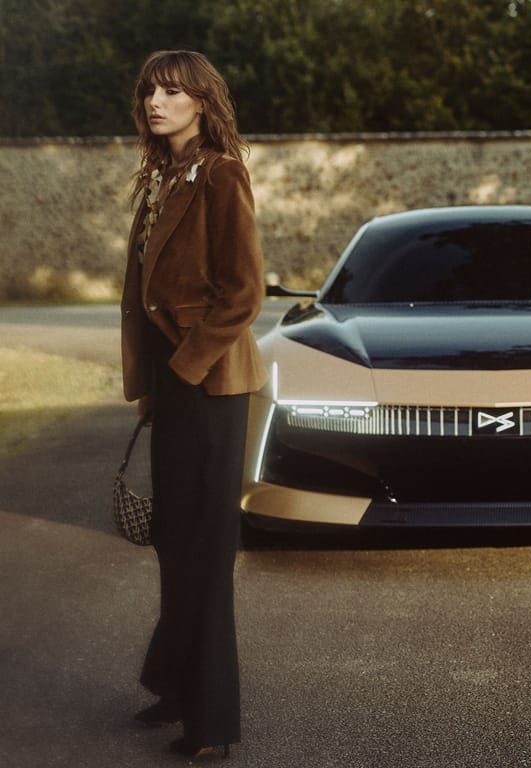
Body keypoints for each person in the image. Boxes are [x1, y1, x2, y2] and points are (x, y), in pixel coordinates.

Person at [120, 49, 265, 761]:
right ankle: (175, 685)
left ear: (202, 104)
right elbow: (141, 295)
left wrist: (183, 367)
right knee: (176, 541)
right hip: (175, 386)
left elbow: (244, 291)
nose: (158, 102)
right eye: (151, 90)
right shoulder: (160, 177)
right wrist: (150, 383)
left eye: (174, 92)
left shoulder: (221, 174)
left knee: (205, 551)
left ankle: (210, 725)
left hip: (210, 386)